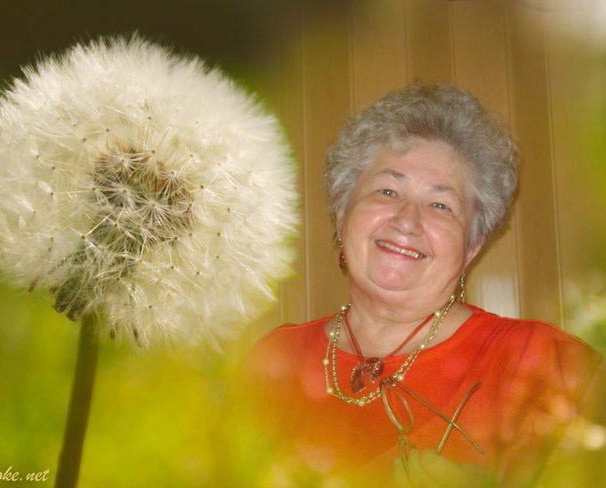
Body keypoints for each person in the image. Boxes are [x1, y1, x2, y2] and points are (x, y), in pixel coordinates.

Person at [237, 83, 604, 486]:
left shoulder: (545, 364)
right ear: (342, 215)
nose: (407, 221)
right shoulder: (273, 360)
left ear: (472, 245)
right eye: (388, 191)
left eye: (440, 204)